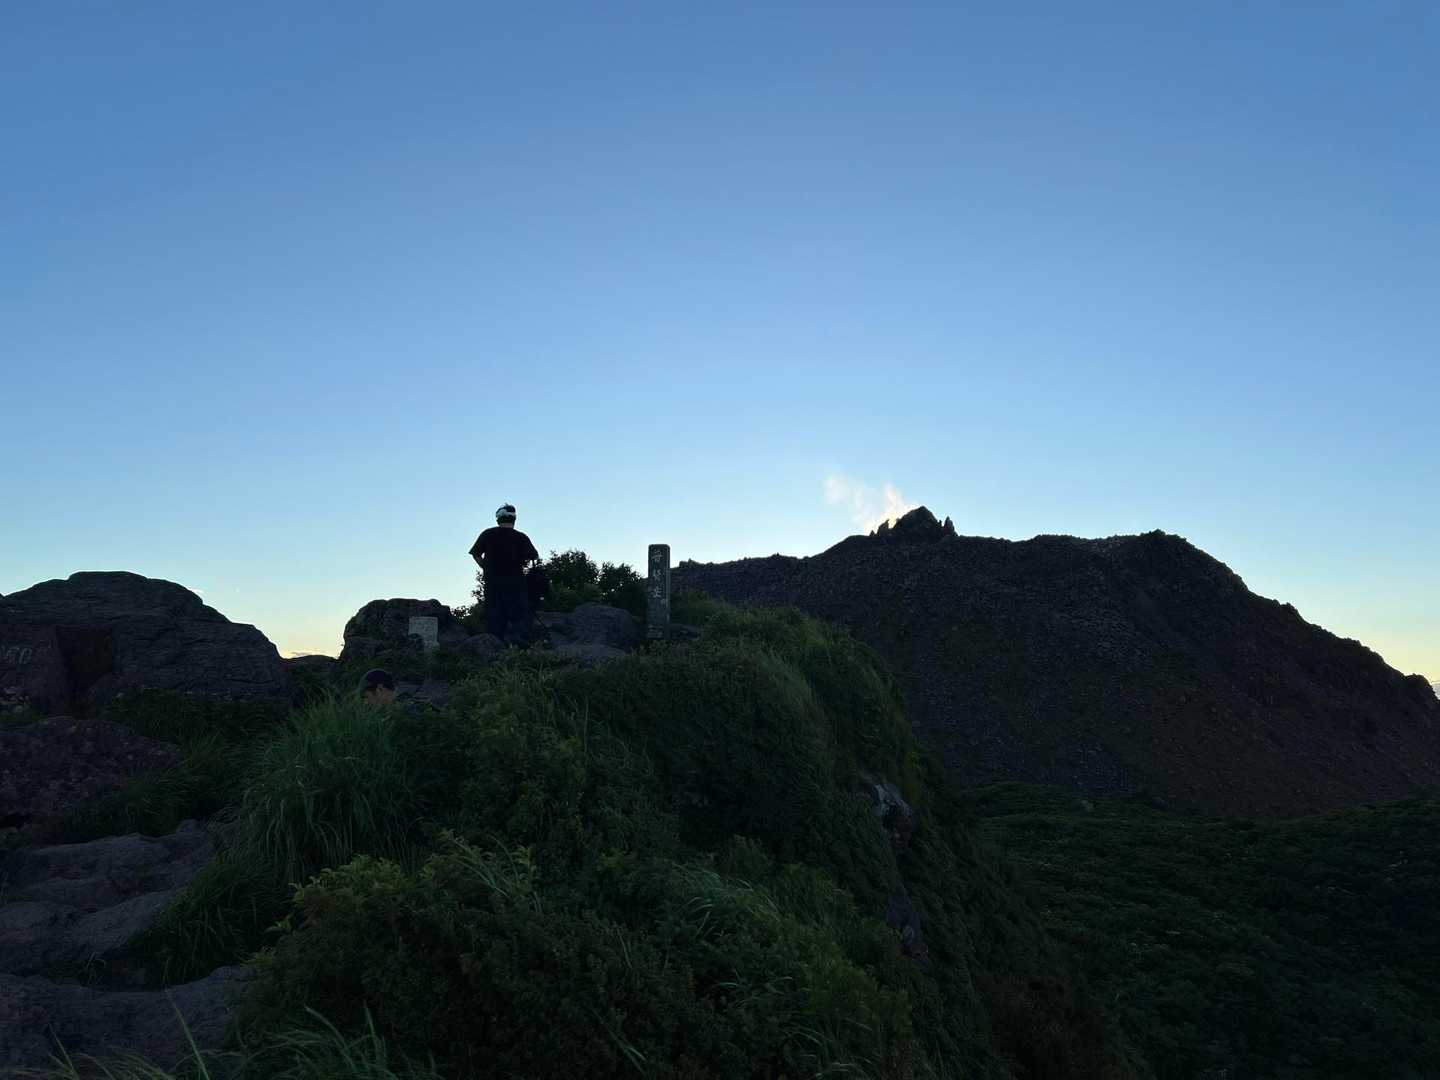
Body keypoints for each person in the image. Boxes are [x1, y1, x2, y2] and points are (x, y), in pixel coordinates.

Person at [469, 503, 540, 642]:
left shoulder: (488, 534)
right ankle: (521, 648)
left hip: (493, 584)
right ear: (514, 519)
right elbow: (534, 556)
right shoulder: (521, 537)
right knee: (520, 618)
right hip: (516, 584)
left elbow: (476, 554)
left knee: (495, 619)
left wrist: (485, 567)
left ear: (498, 519)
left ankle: (495, 648)